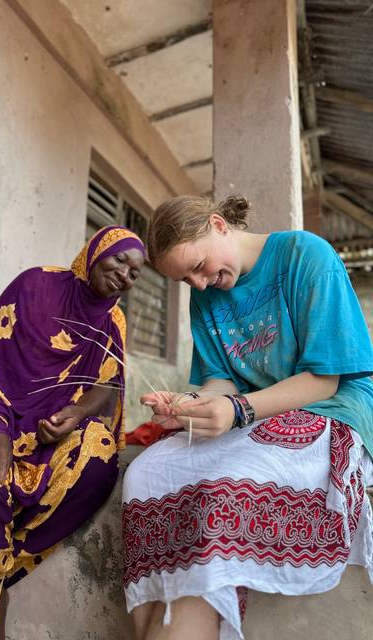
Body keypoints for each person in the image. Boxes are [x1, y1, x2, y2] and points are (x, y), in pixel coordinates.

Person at [122, 195, 373, 640]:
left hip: (331, 408)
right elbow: (221, 380)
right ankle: (152, 627)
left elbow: (324, 381)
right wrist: (189, 404)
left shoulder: (305, 256)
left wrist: (237, 410)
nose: (200, 284)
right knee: (145, 474)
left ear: (219, 225)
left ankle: (189, 624)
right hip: (255, 416)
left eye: (198, 266)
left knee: (226, 481)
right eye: (186, 280)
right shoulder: (207, 296)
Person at [0, 225, 145, 640]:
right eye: (119, 258)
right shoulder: (35, 285)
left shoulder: (113, 320)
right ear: (94, 251)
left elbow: (107, 385)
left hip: (49, 443)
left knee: (100, 458)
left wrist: (75, 412)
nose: (125, 273)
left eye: (135, 271)